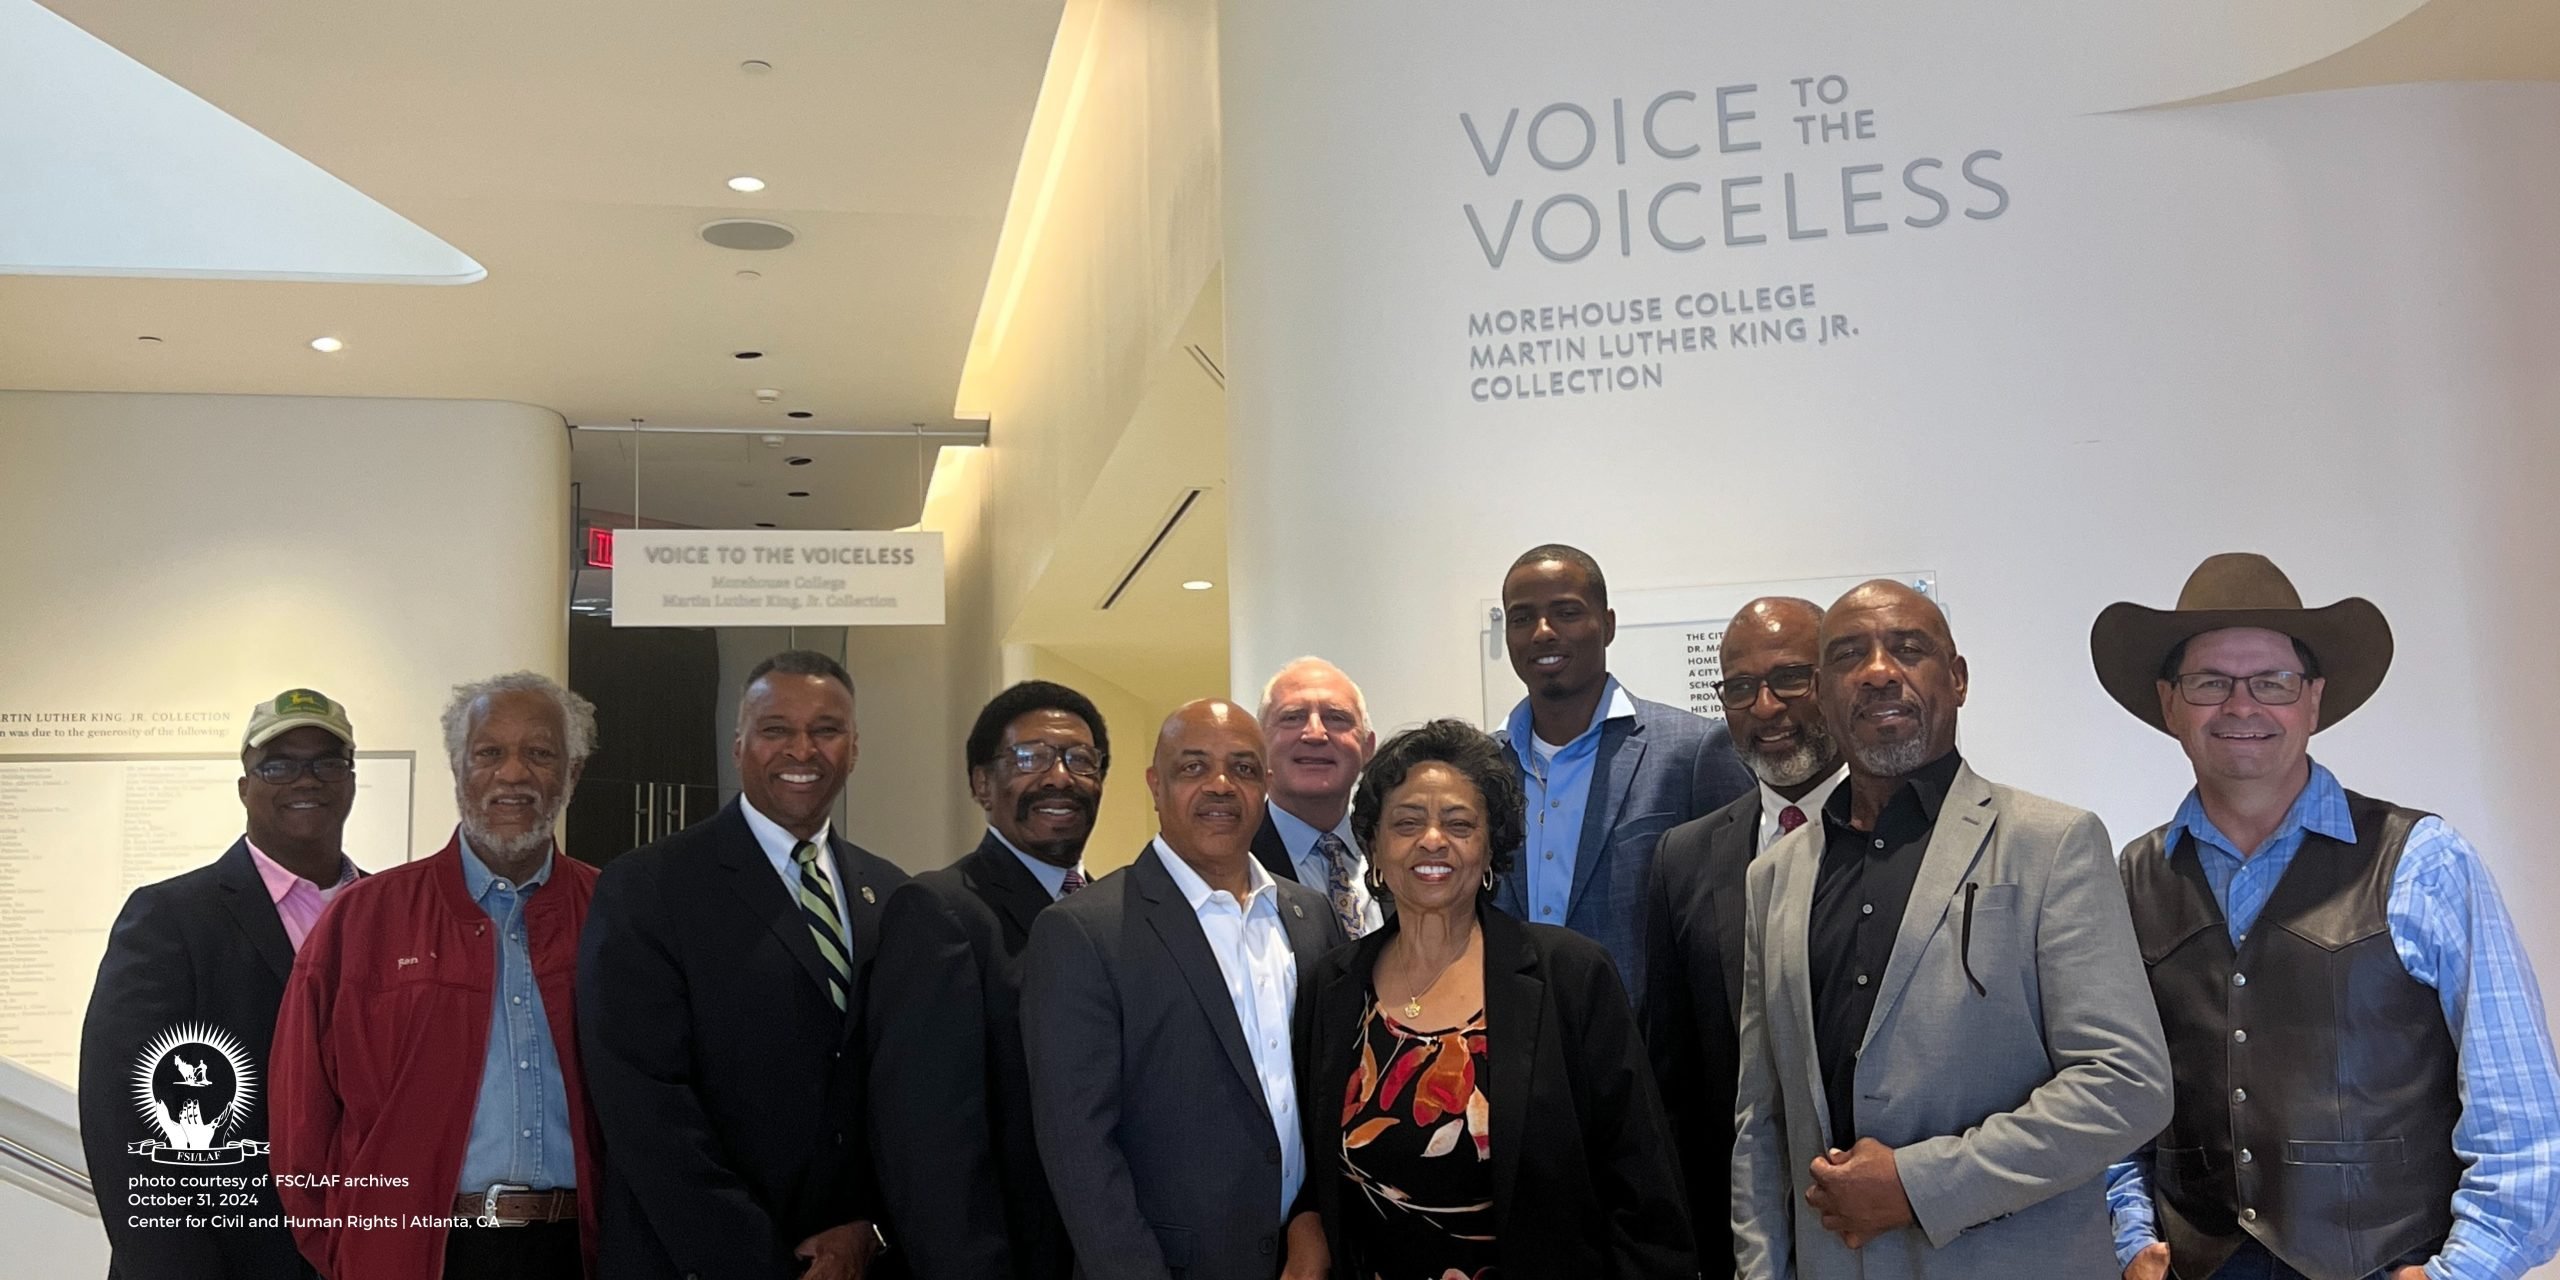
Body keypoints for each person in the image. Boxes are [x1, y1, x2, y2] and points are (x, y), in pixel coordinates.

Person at [2090, 553, 2560, 1280]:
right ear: (2170, 703)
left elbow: (2521, 1114)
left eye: (2271, 682)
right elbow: (2113, 1095)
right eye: (2211, 681)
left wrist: (2468, 1272)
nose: (2242, 706)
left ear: (2312, 700)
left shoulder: (2423, 860)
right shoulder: (2131, 878)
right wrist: (2129, 1243)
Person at [1732, 580, 2171, 1278]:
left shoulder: (2052, 844)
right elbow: (1761, 1120)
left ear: (1958, 679)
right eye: (1850, 655)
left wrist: (1920, 1184)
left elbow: (2127, 1084)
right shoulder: (1776, 878)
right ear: (1821, 690)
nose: (1879, 670)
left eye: (1909, 648)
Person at [1295, 719, 1695, 1278]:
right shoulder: (1330, 989)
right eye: (1407, 822)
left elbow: (1646, 1194)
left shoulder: (1571, 977)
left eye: (1459, 824)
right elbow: (1314, 1177)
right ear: (1375, 850)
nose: (1432, 840)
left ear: (1489, 853)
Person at [579, 650, 910, 1280]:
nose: (802, 750)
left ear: (855, 748)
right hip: (698, 1262)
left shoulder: (890, 894)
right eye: (776, 729)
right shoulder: (648, 888)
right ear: (738, 746)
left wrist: (866, 1230)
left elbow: (896, 1092)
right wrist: (761, 1263)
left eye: (826, 730)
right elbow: (644, 1107)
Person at [270, 673, 604, 1280]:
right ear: (457, 769)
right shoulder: (362, 919)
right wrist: (350, 1254)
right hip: (412, 1255)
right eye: (489, 753)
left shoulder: (615, 917)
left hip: (579, 1255)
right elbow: (301, 1127)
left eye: (539, 753)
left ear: (572, 774)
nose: (513, 774)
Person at [1021, 700, 1344, 1280]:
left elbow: (1323, 1095)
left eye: (1243, 769)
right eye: (1193, 768)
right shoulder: (1083, 931)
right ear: (1155, 784)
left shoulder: (1309, 915)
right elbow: (1079, 1150)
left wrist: (1313, 1221)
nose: (1221, 786)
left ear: (1267, 785)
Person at [80, 689, 361, 1280]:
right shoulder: (170, 918)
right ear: (244, 788)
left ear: (351, 781)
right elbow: (128, 1122)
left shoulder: (390, 913)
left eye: (326, 762)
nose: (305, 780)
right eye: (278, 765)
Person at [867, 680, 1111, 1280]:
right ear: (982, 784)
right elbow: (928, 1147)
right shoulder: (938, 911)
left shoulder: (1115, 912)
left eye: (1080, 759)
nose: (1059, 777)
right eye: (1029, 758)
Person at [1640, 597, 1844, 1276]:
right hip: (1740, 1241)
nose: (1764, 707)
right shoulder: (1683, 858)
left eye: (1791, 678)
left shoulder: (1914, 839)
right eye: (1739, 687)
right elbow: (1674, 1081)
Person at [1489, 543, 1752, 1002]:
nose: (1543, 632)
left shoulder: (1693, 752)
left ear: (1607, 625)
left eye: (1566, 612)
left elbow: (1734, 928)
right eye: (1522, 618)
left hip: (1645, 1053)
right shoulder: (1483, 766)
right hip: (1515, 1046)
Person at [1251, 656, 1384, 937]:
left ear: (1367, 747)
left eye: (1336, 718)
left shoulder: (1394, 851)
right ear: (1258, 744)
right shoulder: (1232, 861)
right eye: (1292, 717)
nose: (1315, 733)